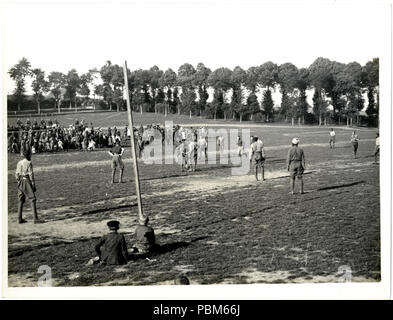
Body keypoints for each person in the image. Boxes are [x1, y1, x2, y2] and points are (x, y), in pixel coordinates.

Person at [15, 150, 44, 224]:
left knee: (20, 199)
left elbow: (17, 174)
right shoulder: (29, 163)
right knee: (32, 199)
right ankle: (35, 219)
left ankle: (19, 218)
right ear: (28, 155)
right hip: (26, 180)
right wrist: (33, 184)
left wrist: (19, 182)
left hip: (20, 181)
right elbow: (31, 175)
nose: (31, 156)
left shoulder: (19, 162)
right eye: (30, 155)